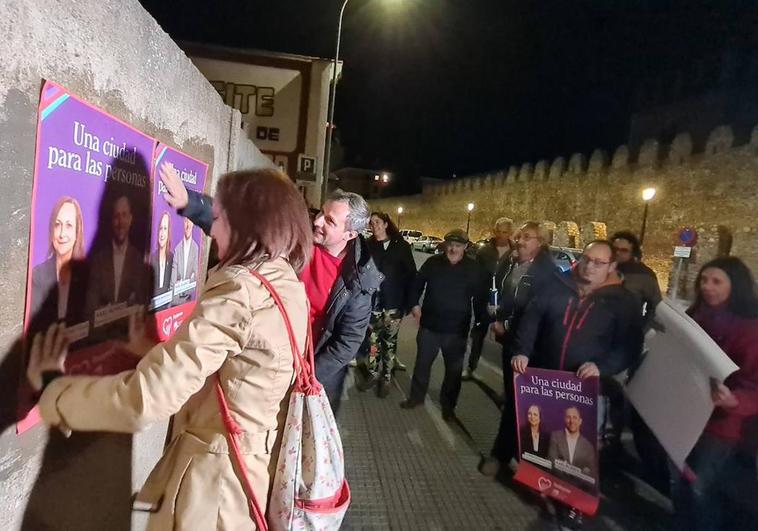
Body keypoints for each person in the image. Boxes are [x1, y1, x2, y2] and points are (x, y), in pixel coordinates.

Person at [27, 168, 312, 529]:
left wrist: (55, 392)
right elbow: (236, 371)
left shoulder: (242, 293)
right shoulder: (285, 283)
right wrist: (151, 348)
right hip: (247, 472)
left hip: (213, 492)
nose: (214, 230)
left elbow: (146, 399)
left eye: (220, 218)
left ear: (246, 225)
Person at [157, 162, 381, 413]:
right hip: (259, 356)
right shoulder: (297, 235)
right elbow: (244, 229)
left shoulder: (360, 282)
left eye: (329, 221)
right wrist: (191, 203)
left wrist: (304, 375)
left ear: (350, 235)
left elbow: (346, 343)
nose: (317, 221)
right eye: (321, 212)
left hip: (305, 376)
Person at [511, 240, 643, 529]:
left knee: (580, 451)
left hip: (585, 390)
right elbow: (533, 319)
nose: (590, 266)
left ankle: (572, 505)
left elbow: (629, 347)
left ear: (612, 266)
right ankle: (545, 488)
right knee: (548, 441)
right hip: (547, 383)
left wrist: (602, 367)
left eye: (599, 262)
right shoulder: (558, 286)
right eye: (587, 259)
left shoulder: (622, 302)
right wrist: (522, 350)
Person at [671, 257, 758, 531]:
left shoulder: (750, 331)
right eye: (704, 280)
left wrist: (734, 401)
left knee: (701, 488)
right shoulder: (697, 316)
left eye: (717, 281)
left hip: (720, 428)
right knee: (681, 482)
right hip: (687, 417)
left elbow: (753, 384)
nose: (708, 287)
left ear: (736, 286)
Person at [480, 222, 558, 477]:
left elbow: (537, 314)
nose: (520, 241)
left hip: (532, 351)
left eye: (528, 237)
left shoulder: (548, 273)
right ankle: (511, 455)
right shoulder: (512, 263)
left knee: (524, 406)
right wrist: (499, 317)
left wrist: (509, 324)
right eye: (519, 236)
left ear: (541, 243)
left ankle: (513, 458)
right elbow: (506, 297)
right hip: (512, 344)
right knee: (514, 402)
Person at [400, 229, 487, 421]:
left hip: (457, 330)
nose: (453, 249)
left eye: (458, 245)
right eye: (450, 245)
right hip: (430, 325)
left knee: (453, 372)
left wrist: (481, 323)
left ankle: (448, 407)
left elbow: (480, 299)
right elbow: (417, 284)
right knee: (422, 365)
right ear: (445, 245)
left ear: (465, 247)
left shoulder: (473, 269)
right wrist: (414, 304)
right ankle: (416, 397)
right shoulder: (433, 263)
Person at [357, 211, 416, 397]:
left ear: (385, 224)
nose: (374, 226)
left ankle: (387, 376)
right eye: (371, 223)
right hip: (373, 304)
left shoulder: (401, 246)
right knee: (373, 341)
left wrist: (409, 303)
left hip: (393, 304)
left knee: (389, 343)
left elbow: (411, 276)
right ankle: (373, 373)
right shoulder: (367, 246)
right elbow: (360, 273)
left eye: (377, 222)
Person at [463, 217, 514, 380]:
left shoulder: (515, 252)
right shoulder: (484, 251)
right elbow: (475, 275)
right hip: (483, 301)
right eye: (498, 231)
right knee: (478, 335)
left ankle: (508, 382)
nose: (501, 235)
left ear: (510, 233)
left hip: (505, 304)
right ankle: (471, 367)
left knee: (507, 343)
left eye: (505, 232)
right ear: (494, 231)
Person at [29, 197, 89, 333]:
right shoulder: (38, 275)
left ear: (77, 232)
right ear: (51, 230)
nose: (62, 234)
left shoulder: (90, 277)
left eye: (68, 226)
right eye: (57, 225)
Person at [85, 194, 148, 318]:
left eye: (124, 215)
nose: (120, 222)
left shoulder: (138, 260)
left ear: (130, 219)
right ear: (111, 221)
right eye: (116, 216)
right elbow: (90, 309)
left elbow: (141, 305)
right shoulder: (98, 261)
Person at [548, 407, 597, 486]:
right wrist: (579, 472)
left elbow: (592, 475)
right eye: (568, 417)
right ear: (564, 419)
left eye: (575, 417)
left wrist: (563, 466)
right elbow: (552, 463)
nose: (571, 421)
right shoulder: (555, 437)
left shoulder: (588, 446)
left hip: (579, 489)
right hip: (558, 485)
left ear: (580, 421)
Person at [171, 217, 200, 306]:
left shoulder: (195, 248)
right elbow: (173, 282)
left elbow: (195, 279)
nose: (188, 225)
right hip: (175, 302)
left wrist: (182, 288)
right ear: (183, 223)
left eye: (190, 221)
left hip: (188, 300)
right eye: (186, 221)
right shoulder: (177, 249)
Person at [149, 211, 174, 311]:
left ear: (168, 233)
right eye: (160, 229)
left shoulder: (172, 258)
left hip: (167, 312)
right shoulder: (151, 259)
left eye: (165, 229)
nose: (162, 233)